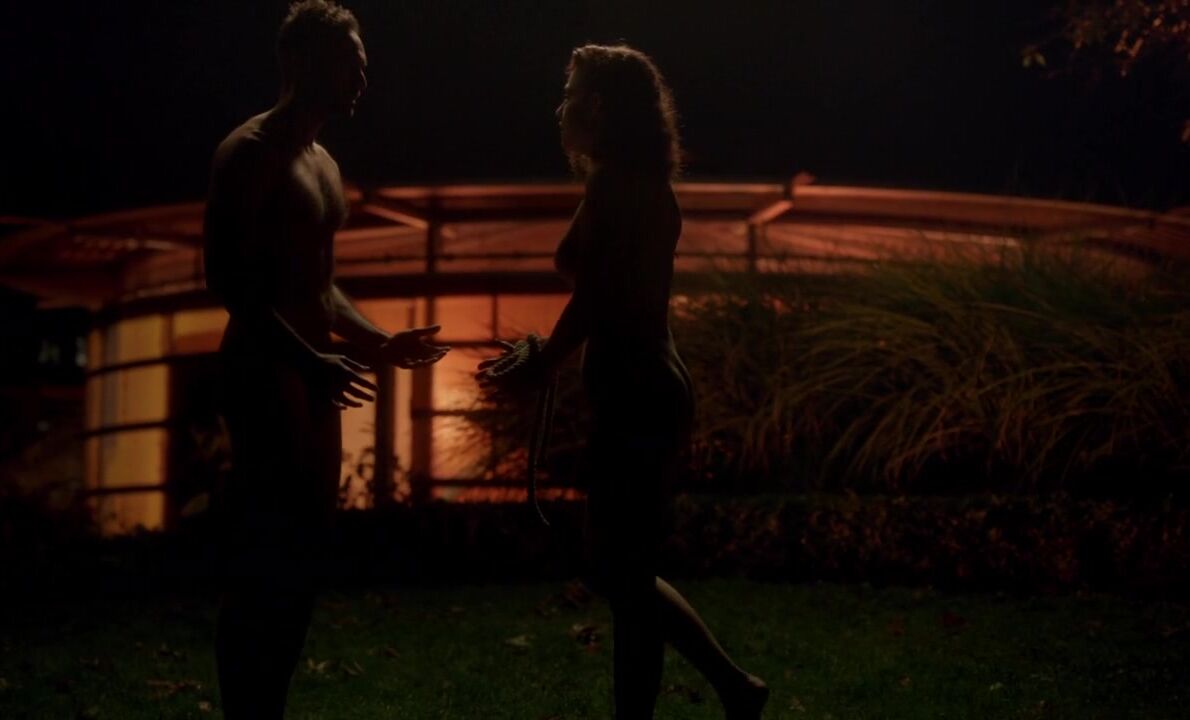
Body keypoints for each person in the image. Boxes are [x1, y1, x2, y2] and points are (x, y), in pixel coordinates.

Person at [479, 44, 769, 720]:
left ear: (599, 106)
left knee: (618, 569)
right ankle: (710, 696)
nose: (560, 109)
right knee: (627, 570)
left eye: (570, 95)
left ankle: (734, 685)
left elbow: (596, 296)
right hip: (641, 388)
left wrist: (544, 361)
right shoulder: (622, 181)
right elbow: (591, 273)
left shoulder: (618, 187)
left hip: (640, 392)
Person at [202, 2, 448, 717]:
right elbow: (227, 280)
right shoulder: (248, 152)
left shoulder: (326, 165)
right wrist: (305, 357)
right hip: (264, 369)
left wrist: (376, 342)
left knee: (307, 549)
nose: (361, 80)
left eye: (364, 66)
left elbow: (321, 286)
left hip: (314, 374)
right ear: (299, 62)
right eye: (349, 64)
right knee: (264, 551)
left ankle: (269, 705)